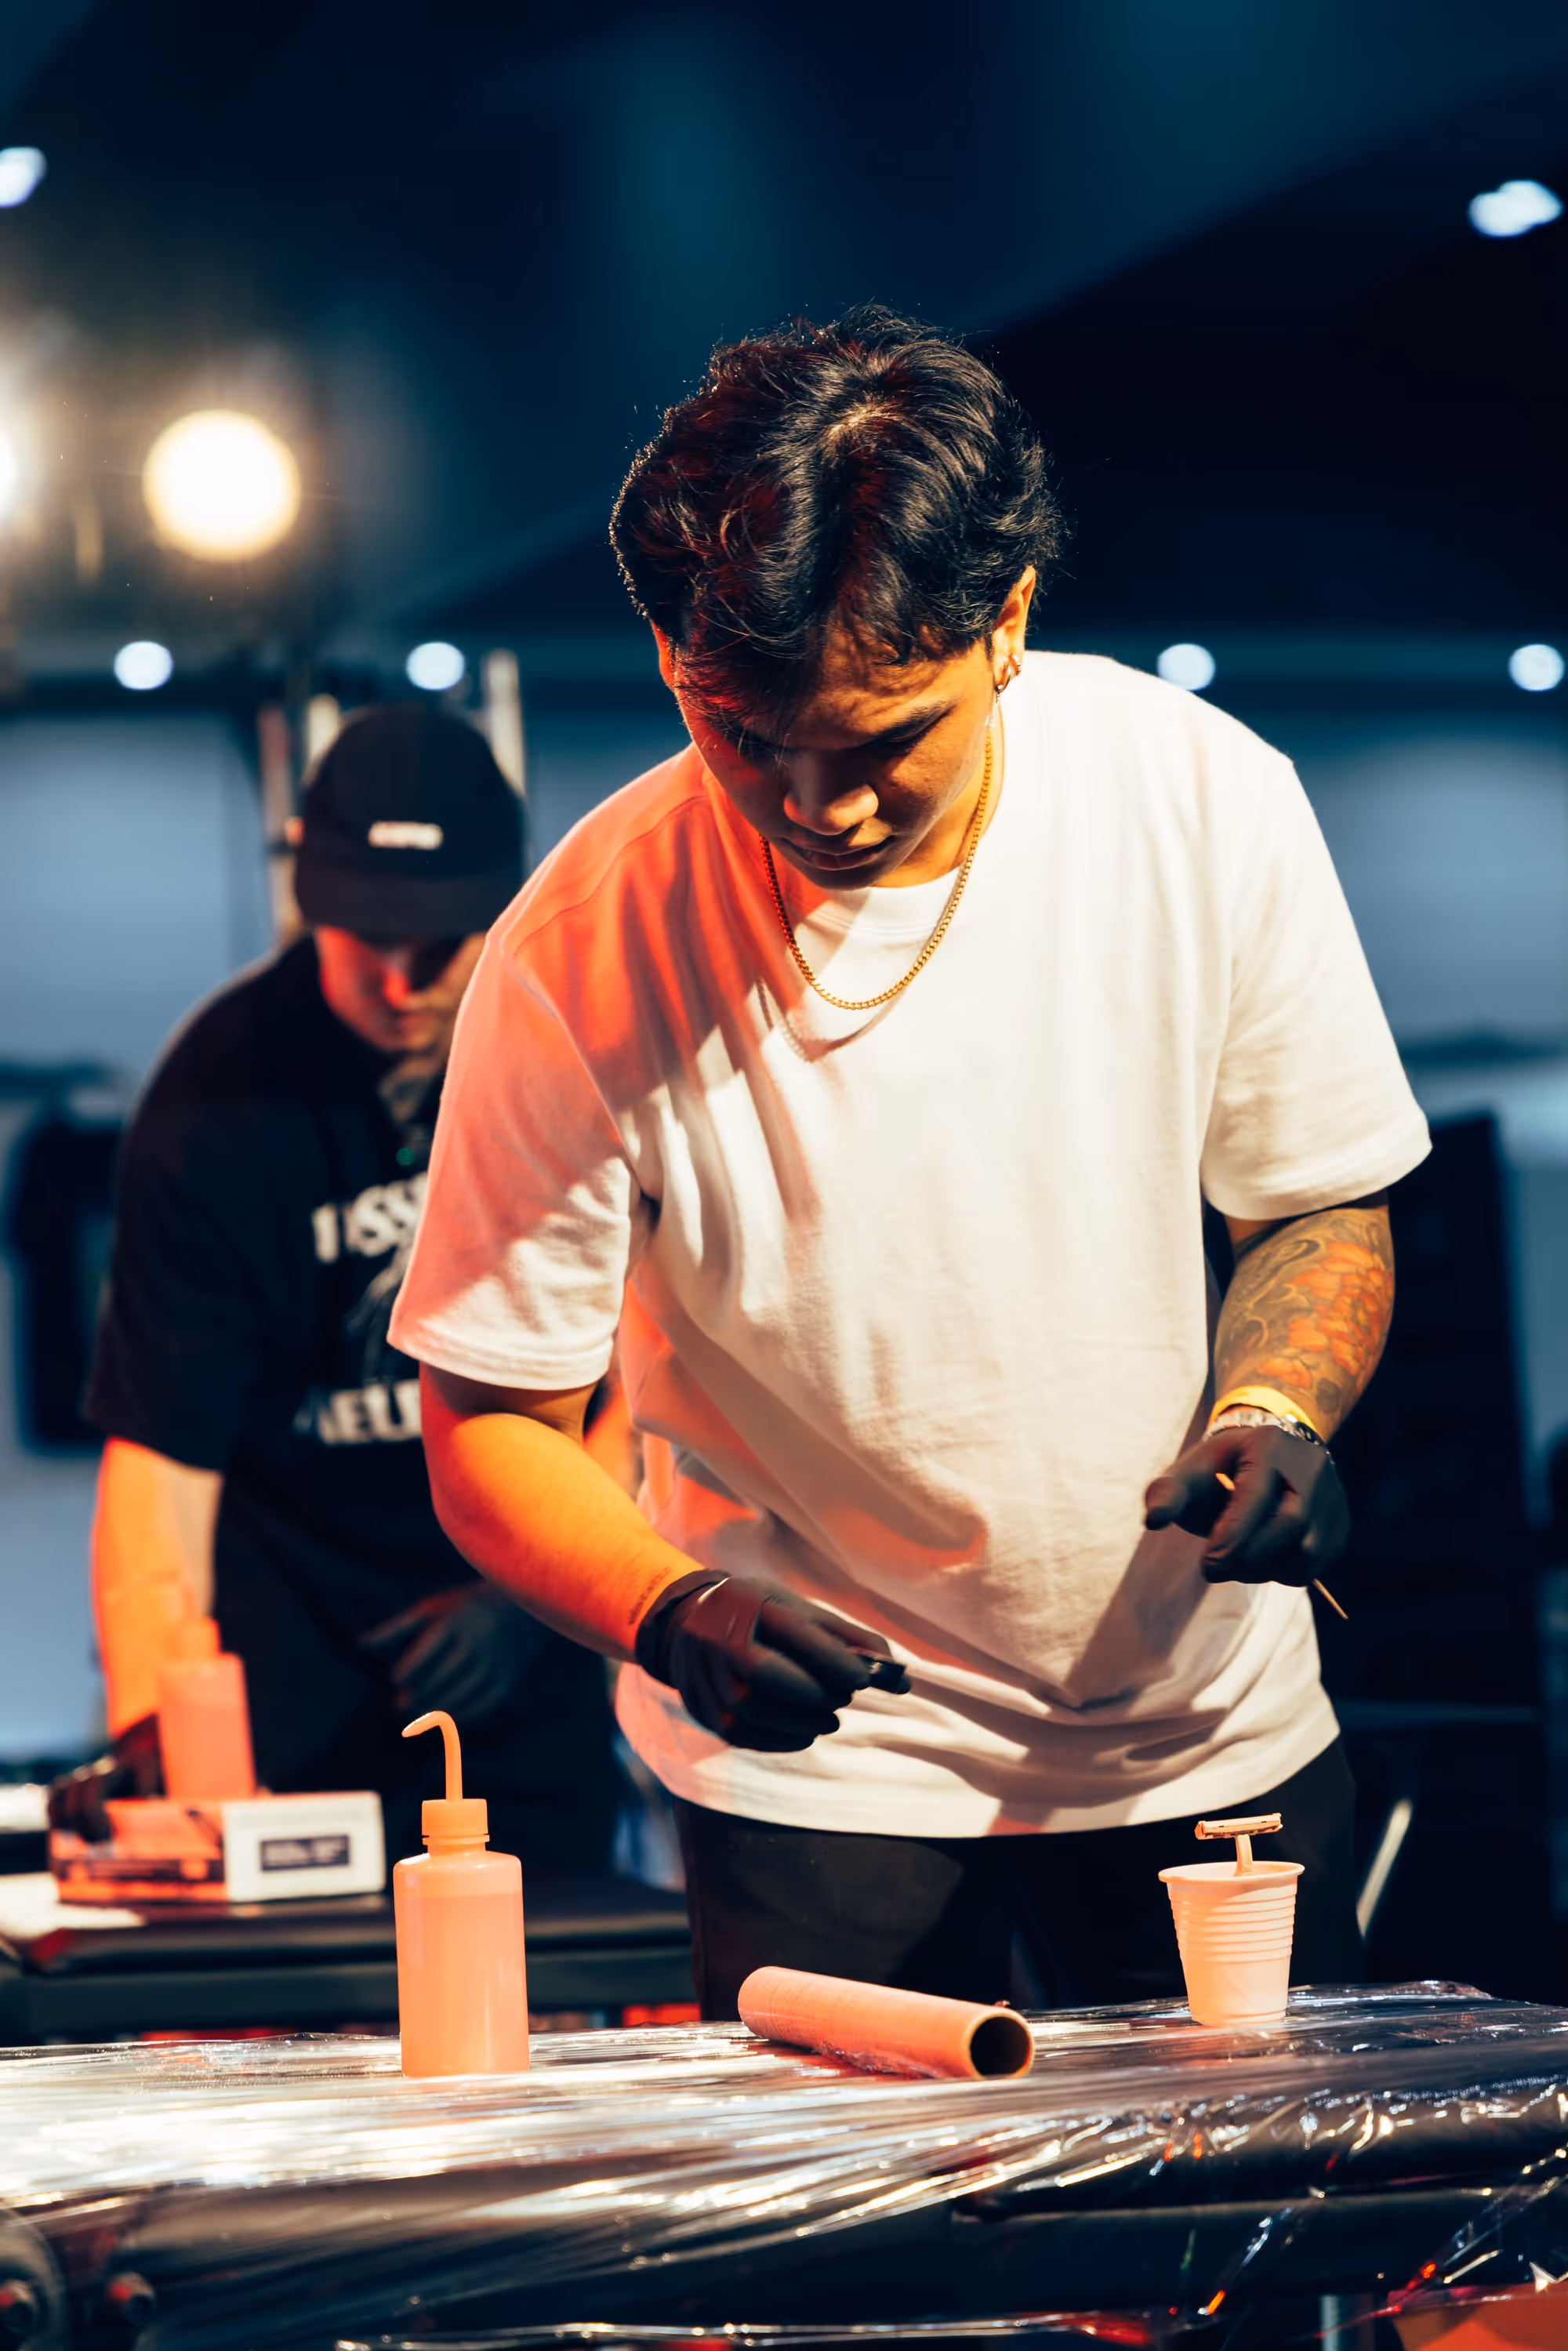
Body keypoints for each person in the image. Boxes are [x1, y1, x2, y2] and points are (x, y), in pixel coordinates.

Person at [390, 308, 1432, 2014]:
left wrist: (1279, 1410)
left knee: (1252, 2258)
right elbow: (490, 1419)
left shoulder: (1198, 797)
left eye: (883, 742)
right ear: (671, 667)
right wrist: (666, 1607)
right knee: (876, 2285)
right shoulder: (577, 944)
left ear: (1005, 620)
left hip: (1200, 1720)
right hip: (818, 1768)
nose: (821, 805)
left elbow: (1313, 1195)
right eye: (746, 735)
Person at [54, 702, 621, 1870]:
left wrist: (534, 1593)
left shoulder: (575, 1055)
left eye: (445, 943)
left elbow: (655, 1387)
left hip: (531, 1646)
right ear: (312, 902)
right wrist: (157, 1721)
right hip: (295, 1668)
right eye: (371, 939)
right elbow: (163, 1457)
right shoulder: (214, 1099)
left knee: (543, 2003)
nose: (406, 982)